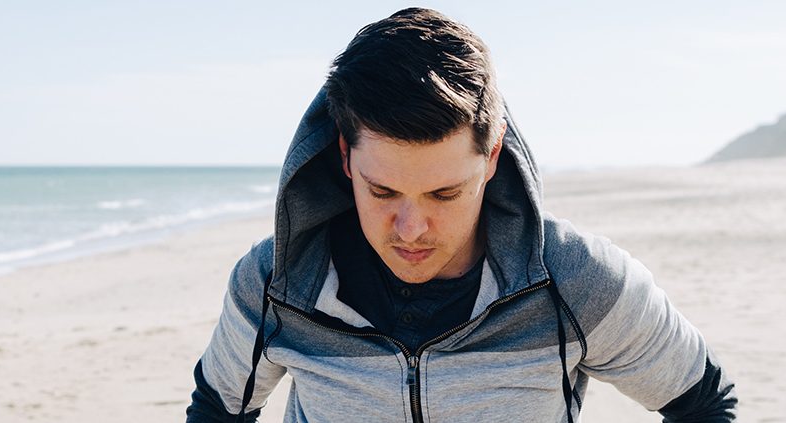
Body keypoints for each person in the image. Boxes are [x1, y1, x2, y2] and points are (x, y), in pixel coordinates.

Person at [186, 7, 737, 423]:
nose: (411, 228)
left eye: (444, 194)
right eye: (382, 191)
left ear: (492, 154)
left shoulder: (578, 279)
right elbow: (217, 410)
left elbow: (704, 404)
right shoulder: (277, 284)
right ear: (344, 156)